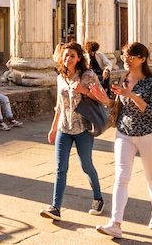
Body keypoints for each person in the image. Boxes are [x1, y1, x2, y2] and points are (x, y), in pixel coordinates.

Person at [98, 43, 152, 237]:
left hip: (148, 135)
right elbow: (118, 106)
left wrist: (131, 95)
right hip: (124, 133)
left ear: (142, 59)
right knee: (121, 177)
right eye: (124, 56)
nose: (125, 60)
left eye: (130, 57)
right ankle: (115, 223)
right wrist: (103, 98)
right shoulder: (124, 77)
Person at [41, 42, 109, 221]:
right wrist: (53, 128)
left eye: (72, 55)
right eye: (65, 55)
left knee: (86, 165)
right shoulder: (60, 77)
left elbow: (103, 99)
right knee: (60, 168)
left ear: (79, 58)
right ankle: (56, 207)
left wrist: (83, 90)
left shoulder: (88, 75)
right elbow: (59, 106)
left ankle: (98, 198)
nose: (68, 58)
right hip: (65, 127)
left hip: (83, 129)